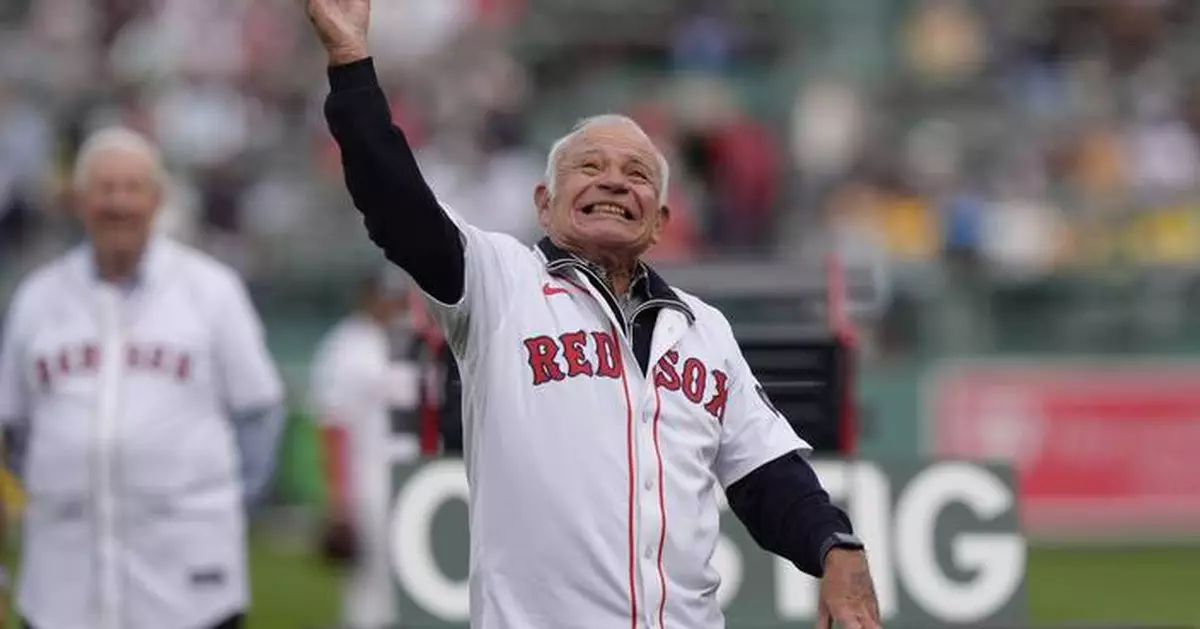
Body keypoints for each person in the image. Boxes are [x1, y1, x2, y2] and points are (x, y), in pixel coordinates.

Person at [305, 1, 883, 628]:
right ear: (544, 204)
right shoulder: (500, 284)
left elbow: (767, 475)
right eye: (589, 166)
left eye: (637, 174)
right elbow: (397, 206)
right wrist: (350, 64)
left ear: (660, 221)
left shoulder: (703, 330)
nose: (613, 181)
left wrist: (835, 544)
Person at [0, 127, 286, 629]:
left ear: (157, 199)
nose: (118, 203)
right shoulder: (38, 298)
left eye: (132, 188)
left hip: (189, 586)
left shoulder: (211, 290)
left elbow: (258, 417)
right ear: (80, 201)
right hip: (63, 582)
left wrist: (210, 509)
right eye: (104, 189)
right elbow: (15, 429)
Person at [310, 267, 422, 629]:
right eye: (383, 296)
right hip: (368, 482)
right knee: (369, 593)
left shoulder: (412, 338)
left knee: (420, 587)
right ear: (367, 296)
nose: (390, 304)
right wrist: (338, 500)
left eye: (396, 297)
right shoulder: (346, 346)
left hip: (415, 476)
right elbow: (334, 428)